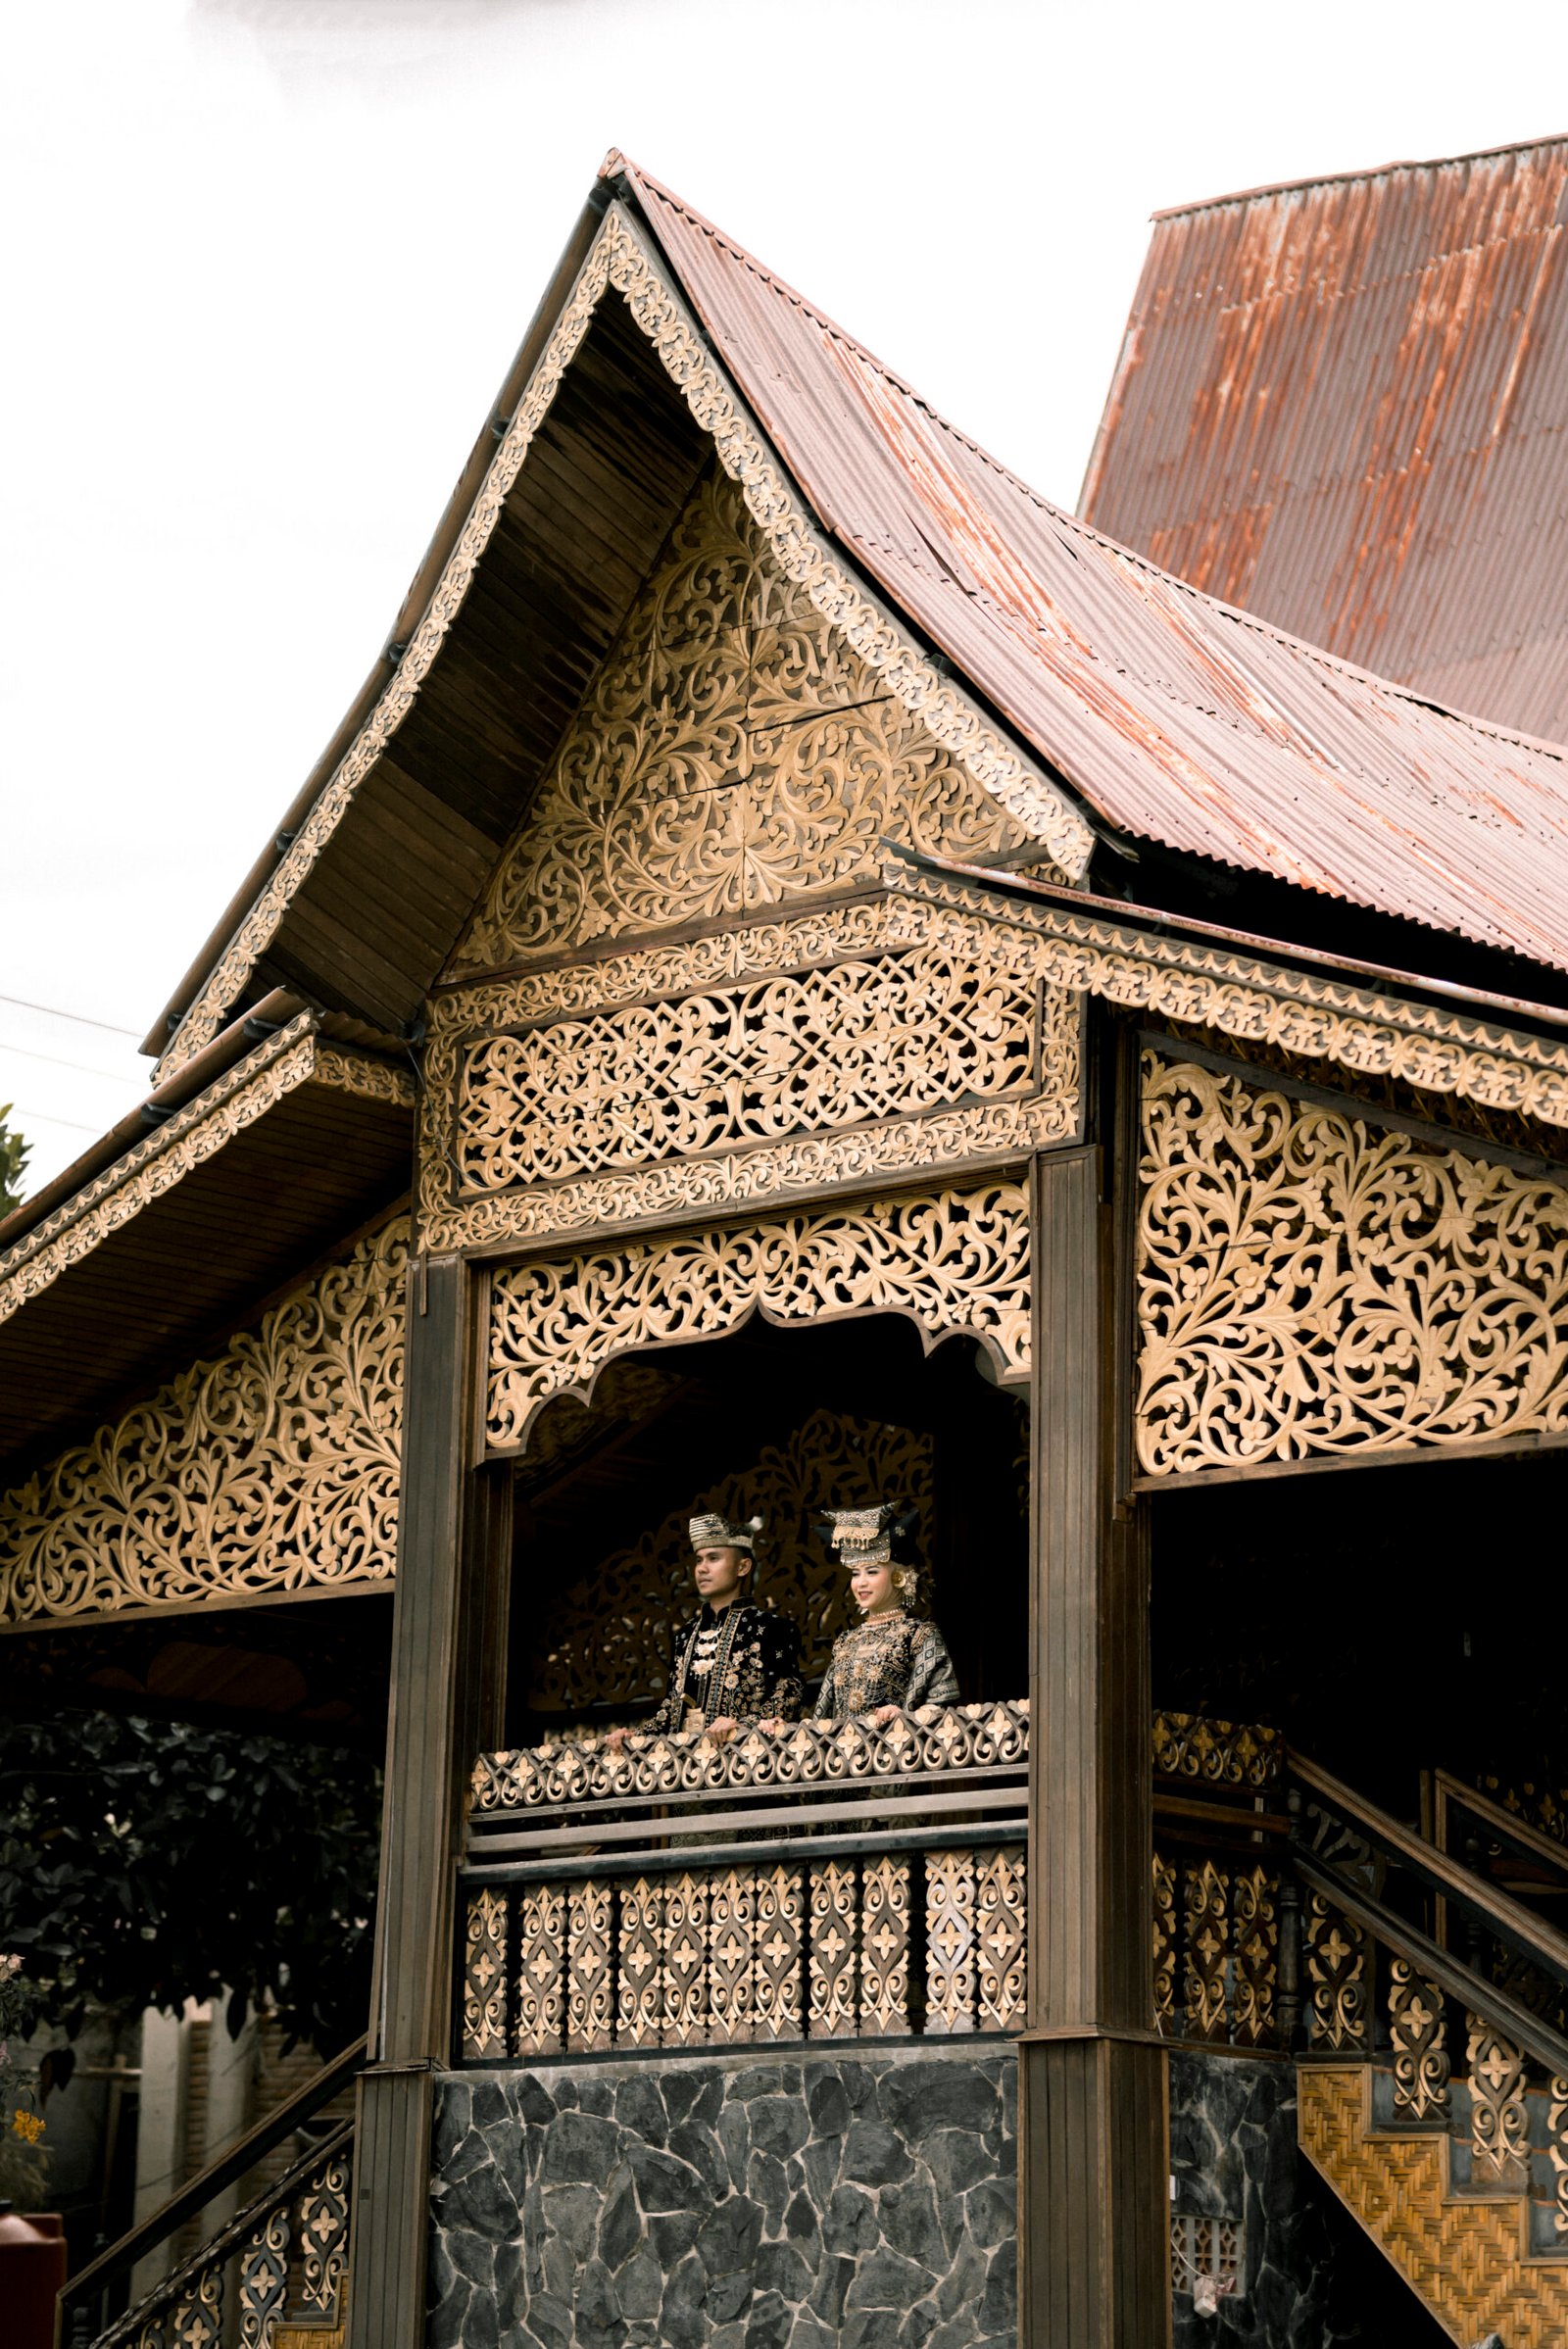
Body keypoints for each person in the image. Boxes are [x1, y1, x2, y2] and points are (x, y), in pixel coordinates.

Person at [607, 1511, 804, 1749]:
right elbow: (670, 1710)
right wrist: (632, 1736)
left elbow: (789, 1694)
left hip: (745, 1757)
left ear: (743, 1567)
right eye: (699, 1560)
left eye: (713, 1558)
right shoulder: (684, 1636)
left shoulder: (772, 1628)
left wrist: (741, 1725)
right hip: (686, 1762)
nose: (702, 1568)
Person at [780, 1501, 958, 1729]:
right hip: (844, 1748)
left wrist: (905, 1715)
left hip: (896, 1745)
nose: (861, 1583)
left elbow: (941, 1706)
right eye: (855, 1573)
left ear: (899, 1577)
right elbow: (822, 1719)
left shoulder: (920, 1635)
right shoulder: (846, 1641)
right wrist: (786, 1728)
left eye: (872, 1572)